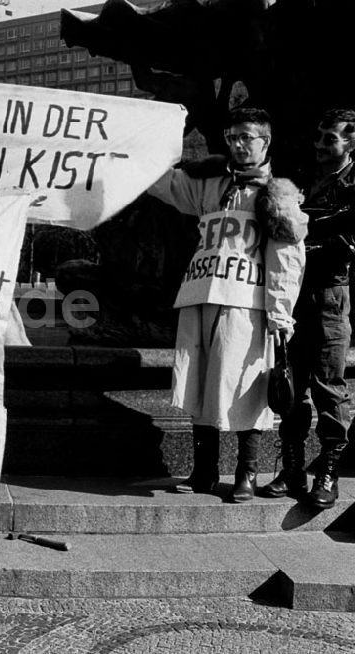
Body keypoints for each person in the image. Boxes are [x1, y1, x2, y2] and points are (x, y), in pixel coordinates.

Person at [149, 108, 307, 502]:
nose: (237, 145)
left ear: (265, 142)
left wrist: (279, 311)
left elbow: (286, 258)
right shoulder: (210, 184)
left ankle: (246, 474)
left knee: (245, 388)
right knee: (199, 384)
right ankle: (203, 472)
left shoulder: (278, 195)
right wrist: (138, 151)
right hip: (201, 294)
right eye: (232, 137)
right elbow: (164, 184)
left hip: (246, 304)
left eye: (247, 137)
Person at [260, 109, 355, 509]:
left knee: (329, 386)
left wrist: (307, 236)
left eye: (329, 138)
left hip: (330, 294)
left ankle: (328, 472)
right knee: (290, 383)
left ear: (351, 142)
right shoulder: (302, 178)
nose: (319, 144)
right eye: (318, 136)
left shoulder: (352, 184)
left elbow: (343, 241)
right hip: (292, 292)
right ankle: (293, 469)